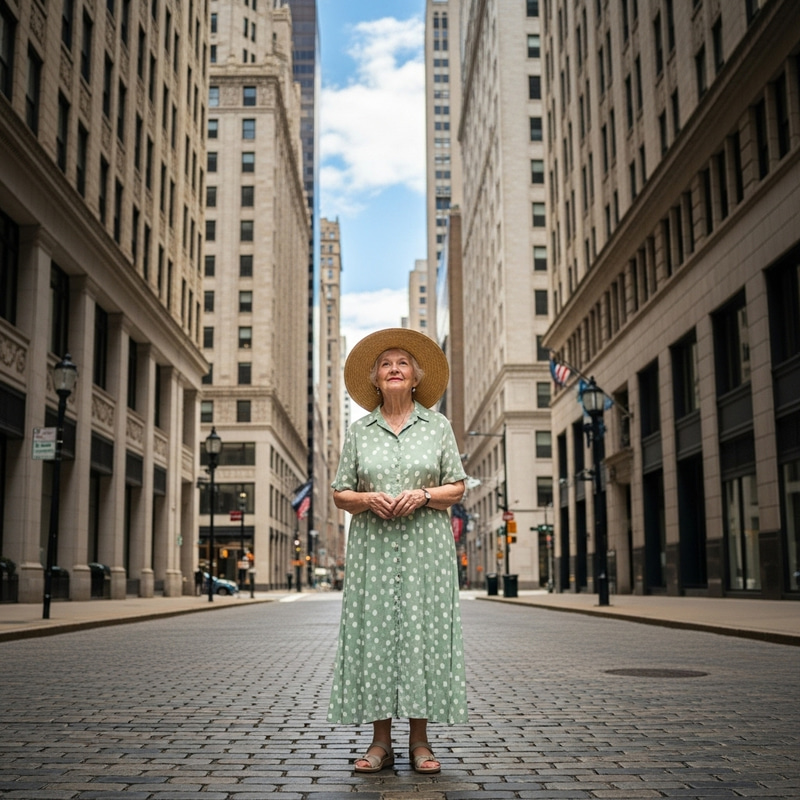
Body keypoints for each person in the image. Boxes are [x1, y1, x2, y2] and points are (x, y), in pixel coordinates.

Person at [327, 328, 468, 775]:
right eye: (385, 364)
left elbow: (458, 486)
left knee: (422, 634)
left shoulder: (438, 426)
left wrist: (425, 495)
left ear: (415, 378)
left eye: (402, 363)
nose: (393, 369)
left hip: (427, 550)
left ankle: (421, 742)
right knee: (378, 636)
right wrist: (368, 499)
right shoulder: (358, 431)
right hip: (374, 550)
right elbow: (339, 493)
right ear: (375, 379)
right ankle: (380, 743)